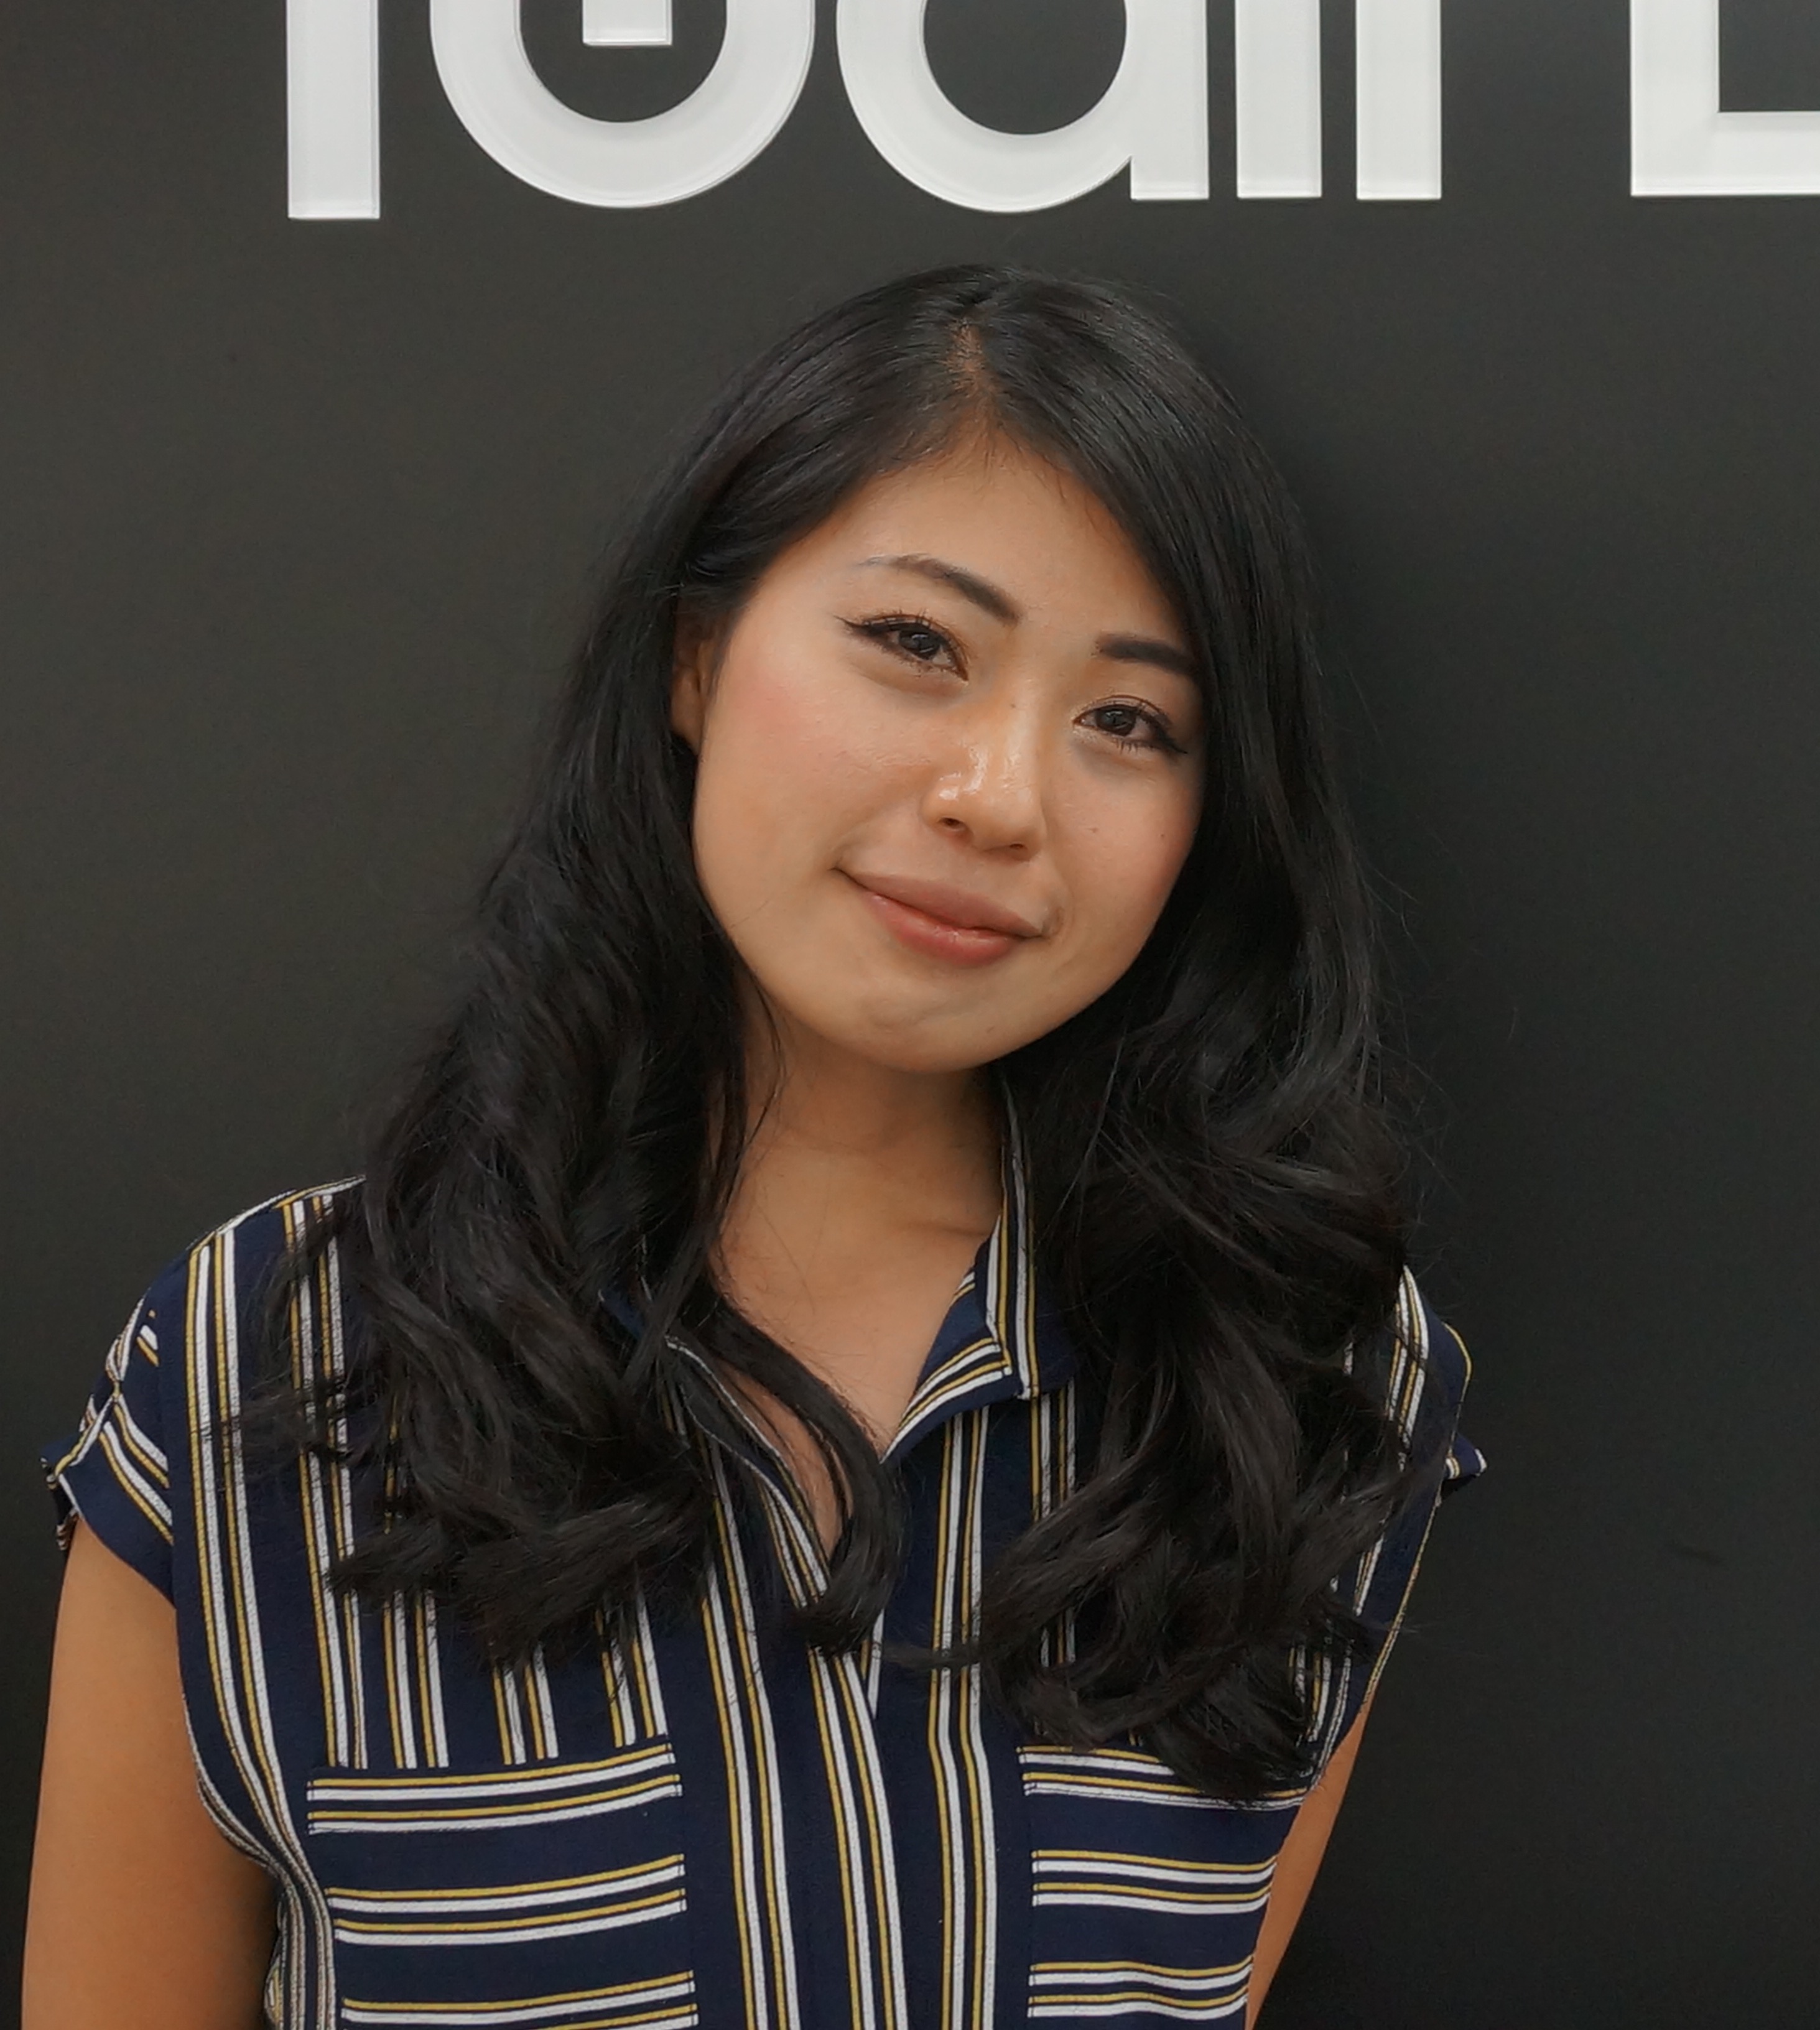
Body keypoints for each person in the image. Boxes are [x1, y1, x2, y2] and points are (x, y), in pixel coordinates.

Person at [24, 266, 1480, 2030]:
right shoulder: (268, 1357)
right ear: (696, 653)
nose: (1001, 795)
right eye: (918, 644)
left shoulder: (1306, 1375)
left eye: (1130, 722)